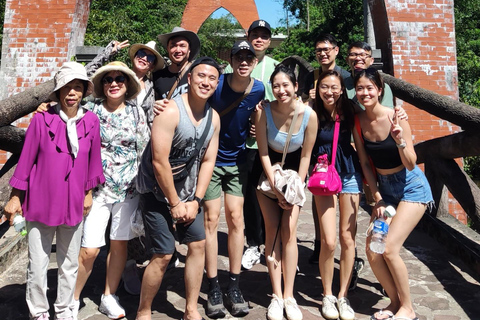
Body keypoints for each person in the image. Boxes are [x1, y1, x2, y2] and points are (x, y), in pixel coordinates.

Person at [3, 62, 105, 320]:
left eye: (78, 88)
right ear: (58, 92)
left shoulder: (91, 121)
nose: (72, 93)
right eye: (67, 87)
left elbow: (93, 160)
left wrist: (88, 193)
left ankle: (64, 309)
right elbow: (26, 160)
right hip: (41, 199)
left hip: (74, 200)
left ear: (83, 92)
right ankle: (38, 311)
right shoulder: (42, 120)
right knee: (37, 263)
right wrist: (16, 197)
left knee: (69, 263)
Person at [135, 57, 221, 320]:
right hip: (157, 192)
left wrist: (195, 200)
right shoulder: (171, 111)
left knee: (198, 244)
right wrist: (174, 203)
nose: (205, 82)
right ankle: (144, 310)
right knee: (163, 253)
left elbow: (208, 161)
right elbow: (158, 161)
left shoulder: (213, 118)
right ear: (190, 78)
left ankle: (191, 308)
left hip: (187, 194)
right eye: (200, 76)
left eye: (212, 78)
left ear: (217, 84)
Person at [352, 68, 433, 320]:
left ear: (379, 90)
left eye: (370, 88)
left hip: (412, 188)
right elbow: (365, 163)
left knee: (389, 248)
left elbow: (410, 163)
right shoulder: (358, 122)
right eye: (360, 88)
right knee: (372, 248)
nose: (365, 93)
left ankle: (408, 308)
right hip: (386, 191)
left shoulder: (396, 118)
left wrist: (399, 139)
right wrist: (377, 199)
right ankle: (395, 303)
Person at [72, 61, 149, 319]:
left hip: (129, 190)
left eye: (119, 79)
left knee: (119, 245)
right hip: (97, 189)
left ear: (127, 85)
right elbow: (65, 114)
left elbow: (145, 149)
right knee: (90, 248)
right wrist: (44, 109)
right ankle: (72, 298)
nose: (113, 83)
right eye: (108, 79)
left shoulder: (137, 113)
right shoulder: (89, 110)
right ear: (101, 85)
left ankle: (108, 295)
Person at [203, 40, 265, 318]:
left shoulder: (258, 89)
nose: (243, 61)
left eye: (248, 58)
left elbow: (260, 120)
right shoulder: (216, 85)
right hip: (211, 162)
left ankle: (234, 284)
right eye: (238, 56)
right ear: (230, 60)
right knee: (211, 220)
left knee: (237, 220)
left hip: (238, 162)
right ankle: (213, 285)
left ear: (256, 61)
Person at [254, 64, 317, 320]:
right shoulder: (263, 112)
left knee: (289, 235)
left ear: (295, 87)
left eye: (286, 85)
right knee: (272, 235)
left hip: (295, 181)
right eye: (276, 86)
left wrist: (293, 191)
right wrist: (278, 189)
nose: (281, 90)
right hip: (269, 180)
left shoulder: (308, 115)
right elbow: (263, 152)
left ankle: (289, 295)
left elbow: (306, 155)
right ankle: (276, 296)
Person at [225, 20, 280, 271]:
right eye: (254, 35)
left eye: (263, 36)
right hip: (242, 144)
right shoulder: (232, 64)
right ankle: (253, 243)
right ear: (247, 37)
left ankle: (275, 244)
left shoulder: (275, 68)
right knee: (247, 195)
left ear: (269, 41)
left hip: (269, 142)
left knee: (270, 192)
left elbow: (280, 102)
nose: (259, 40)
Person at [311, 70, 365, 320]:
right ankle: (327, 294)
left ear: (342, 89)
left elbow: (363, 143)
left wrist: (373, 187)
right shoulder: (311, 111)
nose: (329, 92)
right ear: (317, 88)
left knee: (347, 238)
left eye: (334, 87)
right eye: (324, 87)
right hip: (323, 174)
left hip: (349, 172)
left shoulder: (350, 111)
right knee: (329, 240)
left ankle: (343, 295)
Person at [302, 33, 351, 265]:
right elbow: (301, 106)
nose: (323, 53)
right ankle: (321, 243)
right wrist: (308, 99)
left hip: (341, 145)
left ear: (336, 50)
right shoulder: (310, 76)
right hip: (319, 146)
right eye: (319, 50)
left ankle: (349, 252)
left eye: (326, 49)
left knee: (345, 201)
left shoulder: (348, 77)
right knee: (320, 193)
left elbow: (356, 107)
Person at [85, 40, 165, 127]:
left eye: (150, 58)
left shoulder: (153, 87)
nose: (144, 58)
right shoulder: (116, 76)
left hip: (140, 136)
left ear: (152, 66)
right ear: (135, 56)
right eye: (141, 53)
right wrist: (108, 53)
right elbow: (86, 74)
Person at [344, 41, 394, 108]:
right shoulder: (341, 85)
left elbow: (387, 114)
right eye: (353, 54)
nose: (358, 58)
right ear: (347, 60)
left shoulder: (382, 87)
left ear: (371, 60)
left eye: (363, 55)